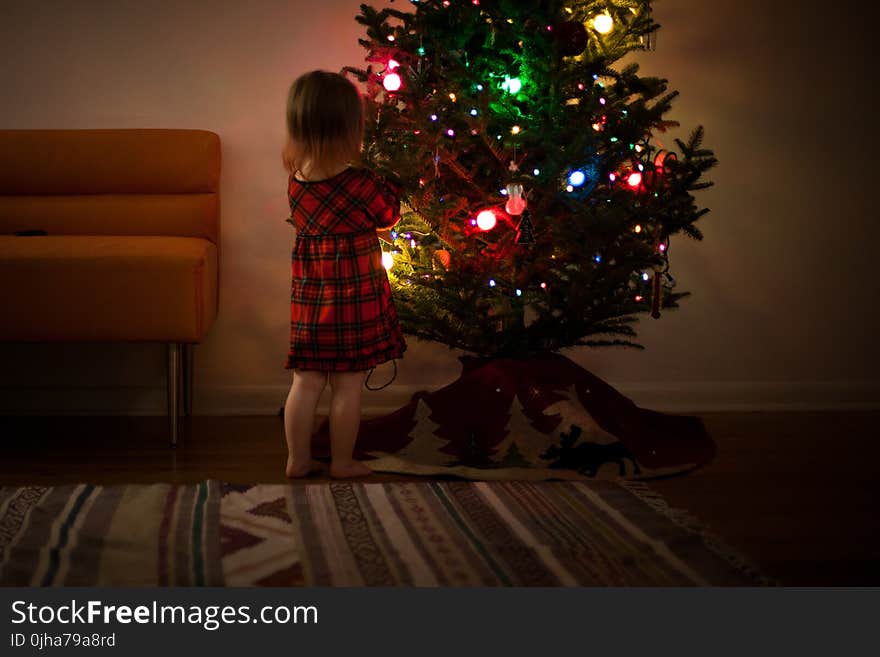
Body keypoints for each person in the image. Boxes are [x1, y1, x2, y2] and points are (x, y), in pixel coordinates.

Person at [281, 70, 406, 479]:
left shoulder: (296, 181)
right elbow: (388, 216)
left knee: (306, 382)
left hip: (312, 295)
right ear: (350, 126)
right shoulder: (361, 181)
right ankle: (342, 462)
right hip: (354, 294)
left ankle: (297, 460)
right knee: (347, 385)